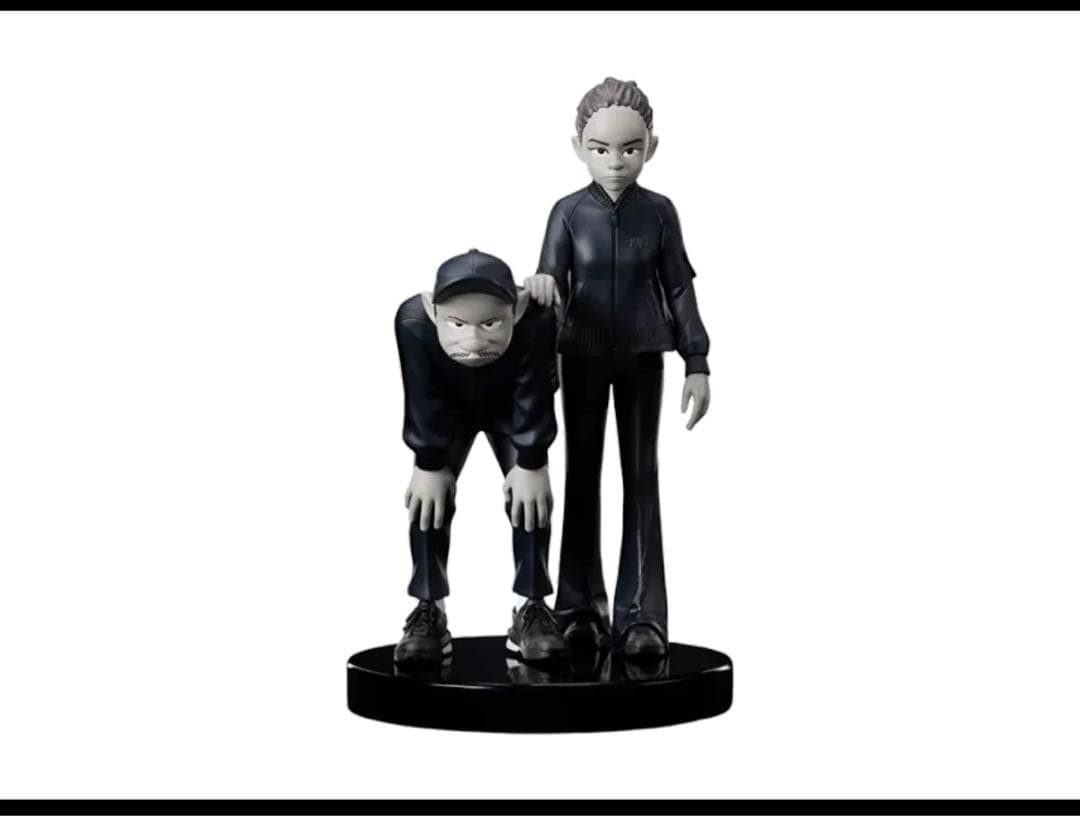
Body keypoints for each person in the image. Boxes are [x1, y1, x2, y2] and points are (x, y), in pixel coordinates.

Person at [523, 77, 712, 660]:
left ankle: (641, 614)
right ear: (578, 147)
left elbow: (678, 286)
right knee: (581, 475)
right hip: (579, 357)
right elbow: (548, 282)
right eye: (600, 148)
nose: (615, 161)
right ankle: (579, 607)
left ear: (651, 147)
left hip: (642, 356)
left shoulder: (659, 213)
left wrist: (697, 359)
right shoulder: (567, 213)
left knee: (641, 477)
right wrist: (541, 296)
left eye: (630, 148)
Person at [393, 248, 568, 664]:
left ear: (516, 310)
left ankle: (532, 605)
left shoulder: (536, 320)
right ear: (433, 312)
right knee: (427, 503)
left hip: (512, 411)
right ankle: (428, 607)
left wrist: (531, 458)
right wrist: (429, 460)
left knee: (531, 502)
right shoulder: (413, 322)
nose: (473, 342)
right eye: (457, 324)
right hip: (448, 414)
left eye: (490, 324)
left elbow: (536, 389)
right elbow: (419, 393)